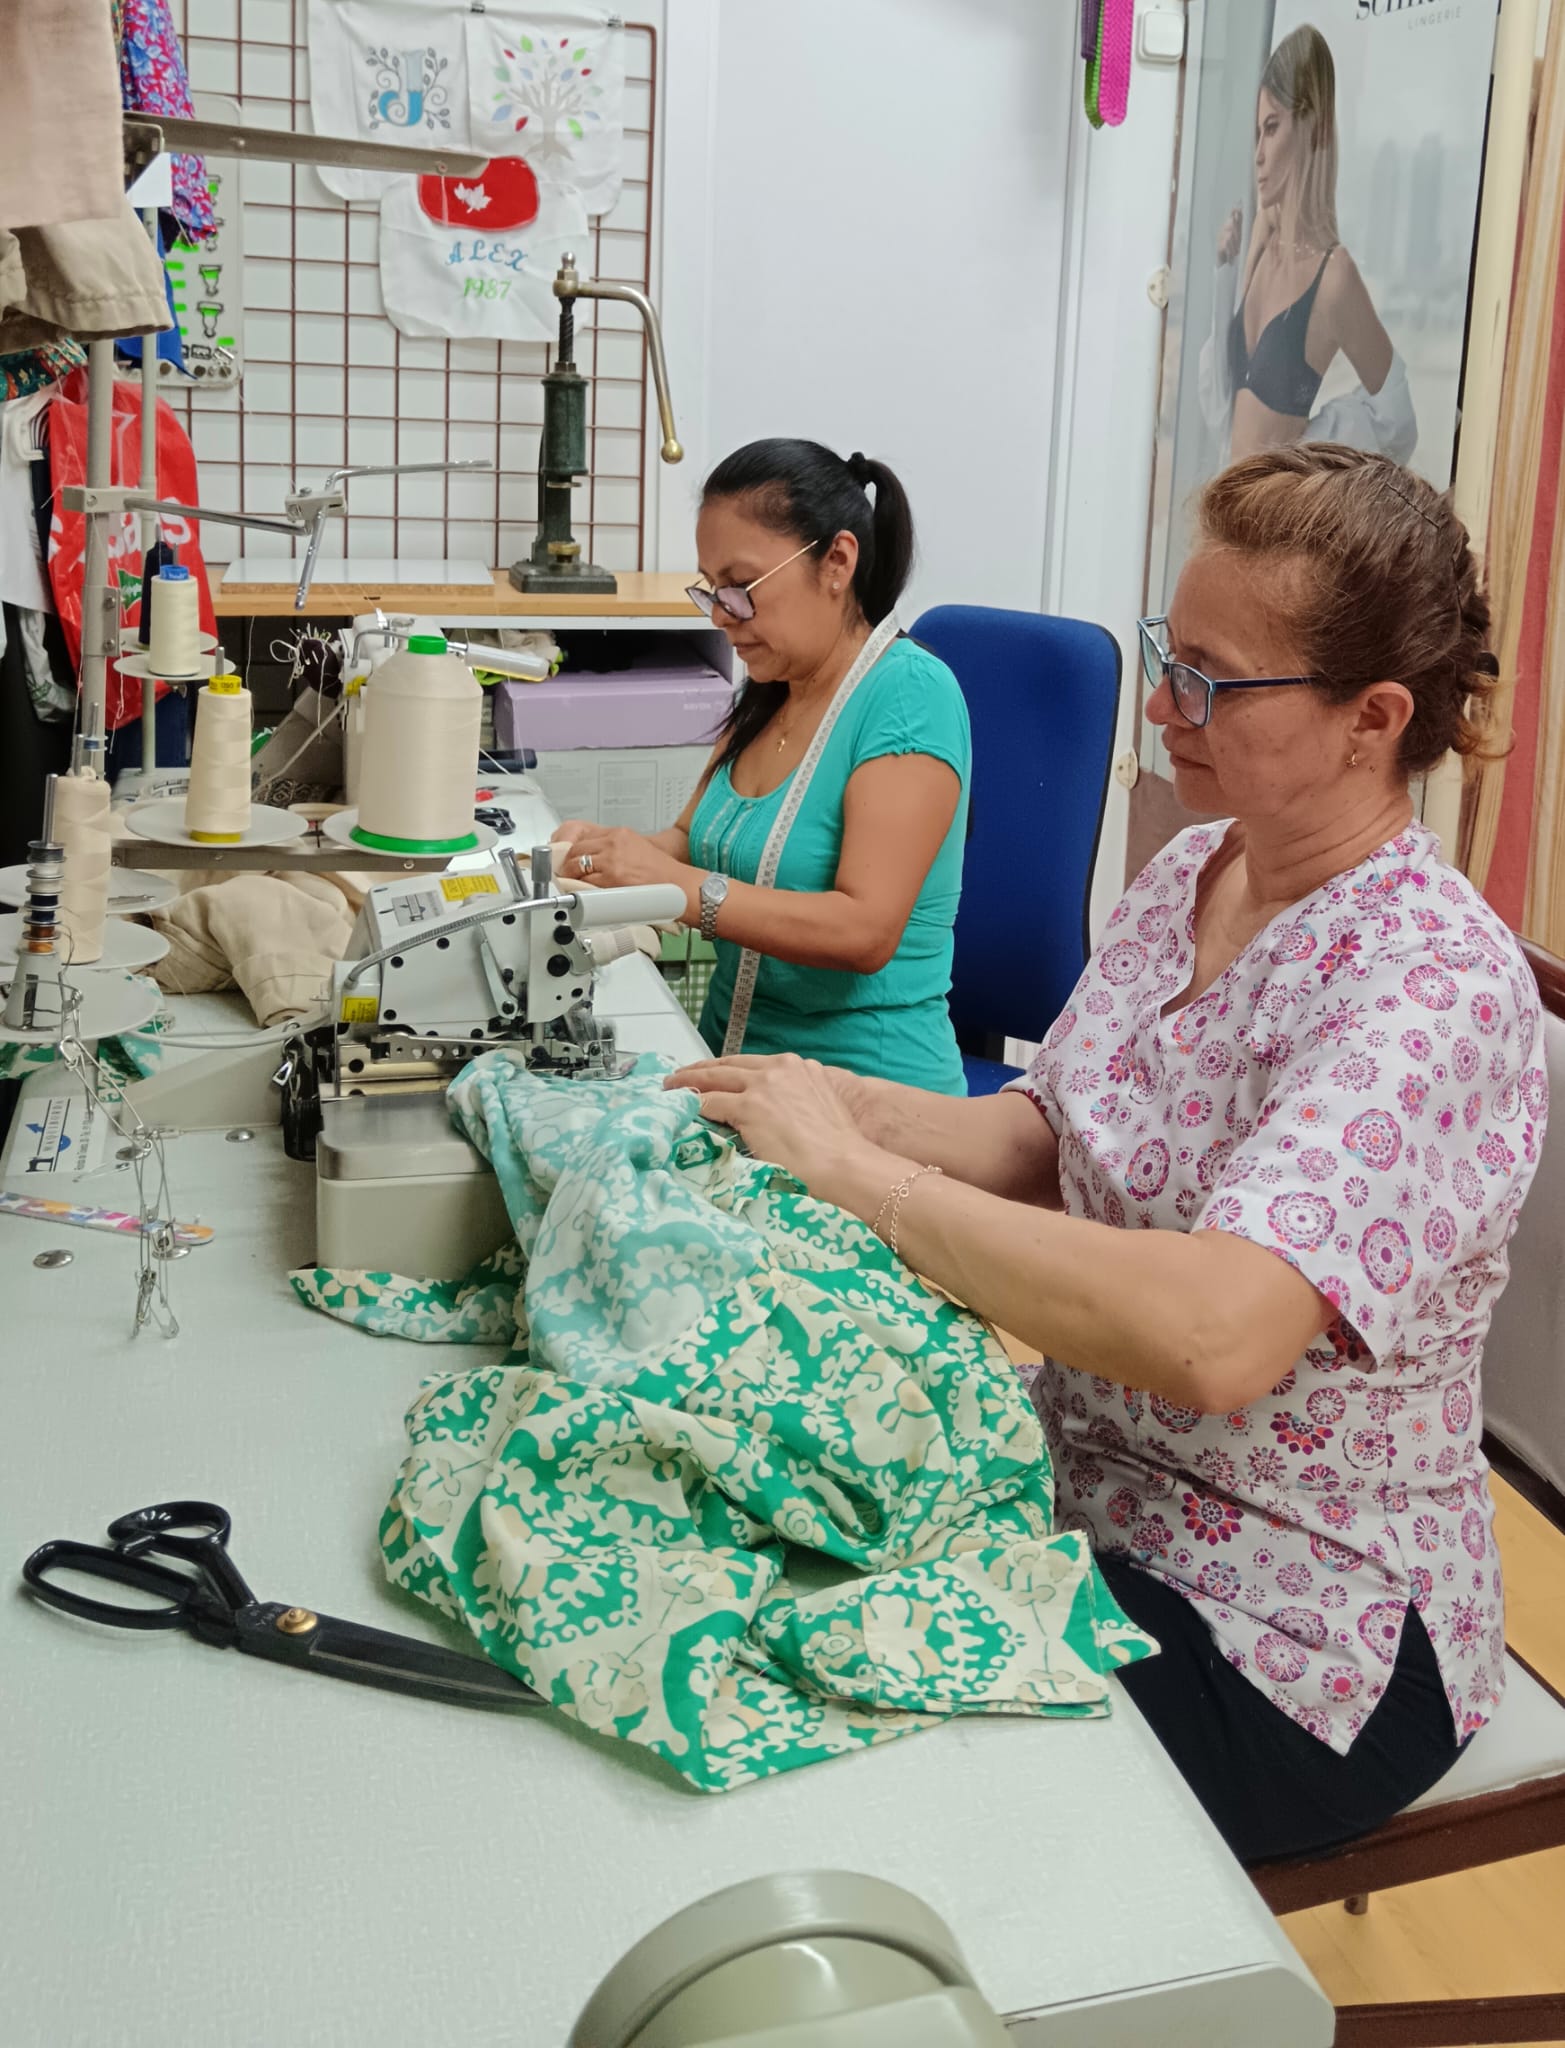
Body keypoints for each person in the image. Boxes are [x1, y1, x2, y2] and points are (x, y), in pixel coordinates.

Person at [669, 444, 1546, 1866]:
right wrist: (809, 1105)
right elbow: (1044, 1134)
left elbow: (1212, 1336)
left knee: (824, 1775)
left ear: (1370, 719)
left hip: (1299, 1626)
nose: (1158, 707)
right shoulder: (1196, 871)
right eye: (1165, 657)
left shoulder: (1429, 984)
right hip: (1090, 1492)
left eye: (1209, 680)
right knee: (726, 1530)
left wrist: (866, 1180)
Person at [556, 438, 971, 1094]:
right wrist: (605, 855)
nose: (723, 618)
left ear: (835, 561)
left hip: (862, 1096)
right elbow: (689, 844)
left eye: (742, 589)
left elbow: (864, 931)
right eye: (712, 591)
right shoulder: (770, 689)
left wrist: (676, 885)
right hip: (734, 1068)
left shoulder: (910, 697)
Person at [1199, 24, 1416, 466]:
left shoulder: (1334, 277)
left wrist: (1313, 451)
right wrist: (1224, 273)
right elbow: (1223, 400)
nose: (1258, 152)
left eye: (1272, 127)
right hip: (1225, 500)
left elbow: (1398, 424)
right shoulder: (1262, 233)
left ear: (1311, 128)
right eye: (1257, 132)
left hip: (1276, 523)